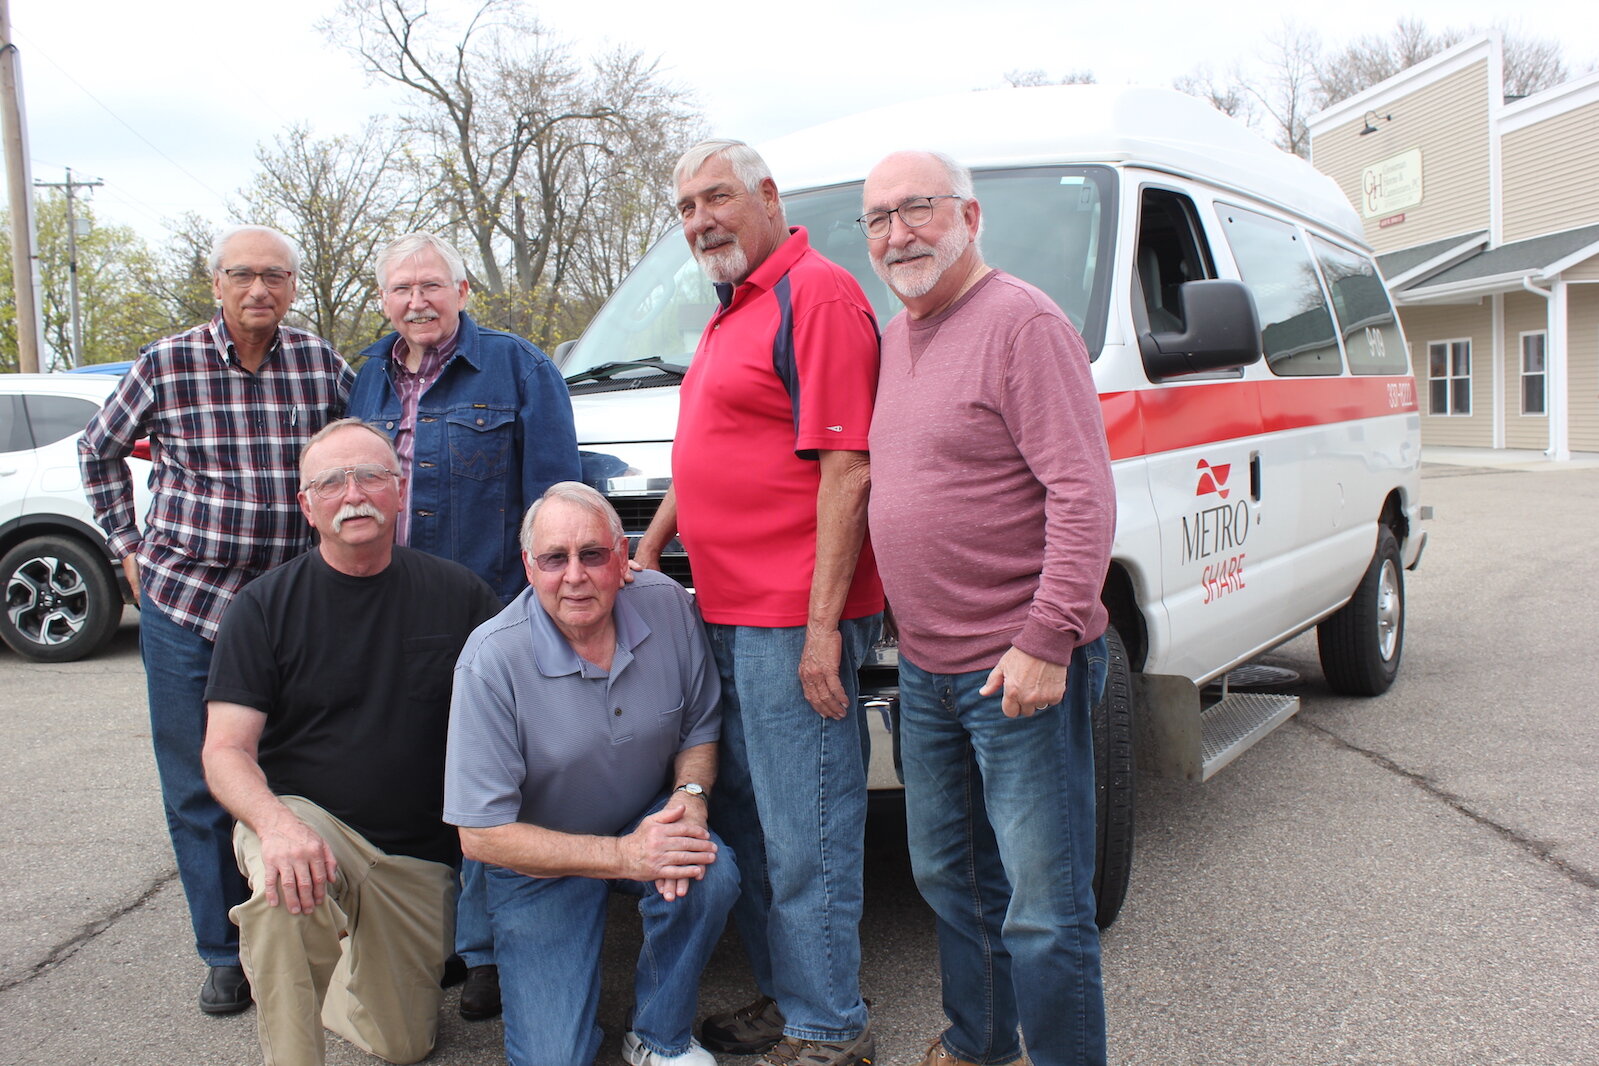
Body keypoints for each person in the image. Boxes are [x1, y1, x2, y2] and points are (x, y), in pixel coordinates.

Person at [860, 150, 1116, 1066]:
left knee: (1046, 909)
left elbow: (1081, 494)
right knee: (950, 875)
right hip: (928, 669)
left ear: (968, 216)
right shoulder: (894, 337)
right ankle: (977, 1042)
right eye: (879, 218)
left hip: (1021, 667)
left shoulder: (1022, 323)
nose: (898, 232)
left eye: (917, 208)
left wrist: (1046, 639)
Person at [633, 139, 883, 1066]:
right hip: (725, 615)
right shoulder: (730, 308)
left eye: (717, 198)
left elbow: (847, 467)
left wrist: (821, 632)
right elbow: (711, 444)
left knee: (807, 829)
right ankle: (790, 1000)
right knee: (746, 820)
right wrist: (655, 542)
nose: (700, 220)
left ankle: (830, 1030)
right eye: (686, 208)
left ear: (768, 196)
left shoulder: (812, 293)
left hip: (791, 620)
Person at [78, 225, 354, 1015]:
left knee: (299, 772)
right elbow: (98, 451)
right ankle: (222, 950)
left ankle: (307, 928)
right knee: (200, 783)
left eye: (274, 276)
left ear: (293, 286)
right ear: (216, 284)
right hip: (186, 604)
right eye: (242, 275)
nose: (258, 290)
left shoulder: (320, 365)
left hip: (290, 608)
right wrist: (126, 544)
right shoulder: (168, 363)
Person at [202, 419, 501, 1066]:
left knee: (404, 1046)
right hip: (305, 823)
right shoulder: (260, 608)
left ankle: (343, 971)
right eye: (331, 482)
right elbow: (224, 751)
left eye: (369, 476)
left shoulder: (461, 597)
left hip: (414, 860)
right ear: (306, 505)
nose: (353, 493)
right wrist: (274, 826)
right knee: (284, 894)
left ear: (399, 491)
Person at [348, 231, 581, 1020]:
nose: (417, 301)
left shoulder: (519, 368)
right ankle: (430, 939)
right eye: (400, 289)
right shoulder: (365, 382)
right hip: (389, 612)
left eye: (431, 286)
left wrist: (543, 612)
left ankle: (485, 953)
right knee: (409, 774)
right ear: (382, 300)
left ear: (463, 289)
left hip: (489, 612)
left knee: (489, 785)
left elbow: (555, 503)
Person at [446, 482, 736, 1066]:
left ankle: (657, 1037)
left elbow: (700, 731)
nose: (574, 575)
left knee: (709, 868)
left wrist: (690, 799)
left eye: (593, 554)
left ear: (622, 557)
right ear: (530, 567)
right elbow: (480, 835)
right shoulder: (489, 660)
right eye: (555, 558)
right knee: (555, 1058)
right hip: (536, 857)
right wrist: (626, 857)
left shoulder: (669, 607)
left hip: (637, 815)